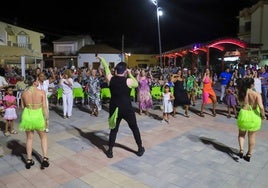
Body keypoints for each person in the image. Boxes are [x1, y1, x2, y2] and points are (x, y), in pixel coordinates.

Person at [98, 56, 145, 158]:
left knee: (114, 130)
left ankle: (110, 151)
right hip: (127, 109)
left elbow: (106, 68)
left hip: (115, 108)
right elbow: (137, 84)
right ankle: (140, 148)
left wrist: (102, 59)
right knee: (134, 128)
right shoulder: (128, 81)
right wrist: (130, 74)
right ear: (124, 71)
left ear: (116, 70)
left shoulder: (110, 79)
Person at [19, 75, 50, 169]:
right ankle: (44, 158)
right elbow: (45, 107)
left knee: (29, 138)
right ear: (34, 82)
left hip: (28, 116)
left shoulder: (24, 93)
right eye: (37, 80)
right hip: (38, 116)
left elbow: (22, 107)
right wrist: (47, 119)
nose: (39, 82)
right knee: (43, 137)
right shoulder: (41, 92)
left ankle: (29, 160)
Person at [236, 77, 266, 162]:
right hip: (253, 116)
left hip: (244, 114)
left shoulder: (241, 93)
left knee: (241, 134)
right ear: (252, 85)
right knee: (251, 136)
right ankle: (249, 154)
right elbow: (261, 107)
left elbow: (240, 104)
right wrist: (263, 115)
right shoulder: (257, 94)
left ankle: (241, 150)